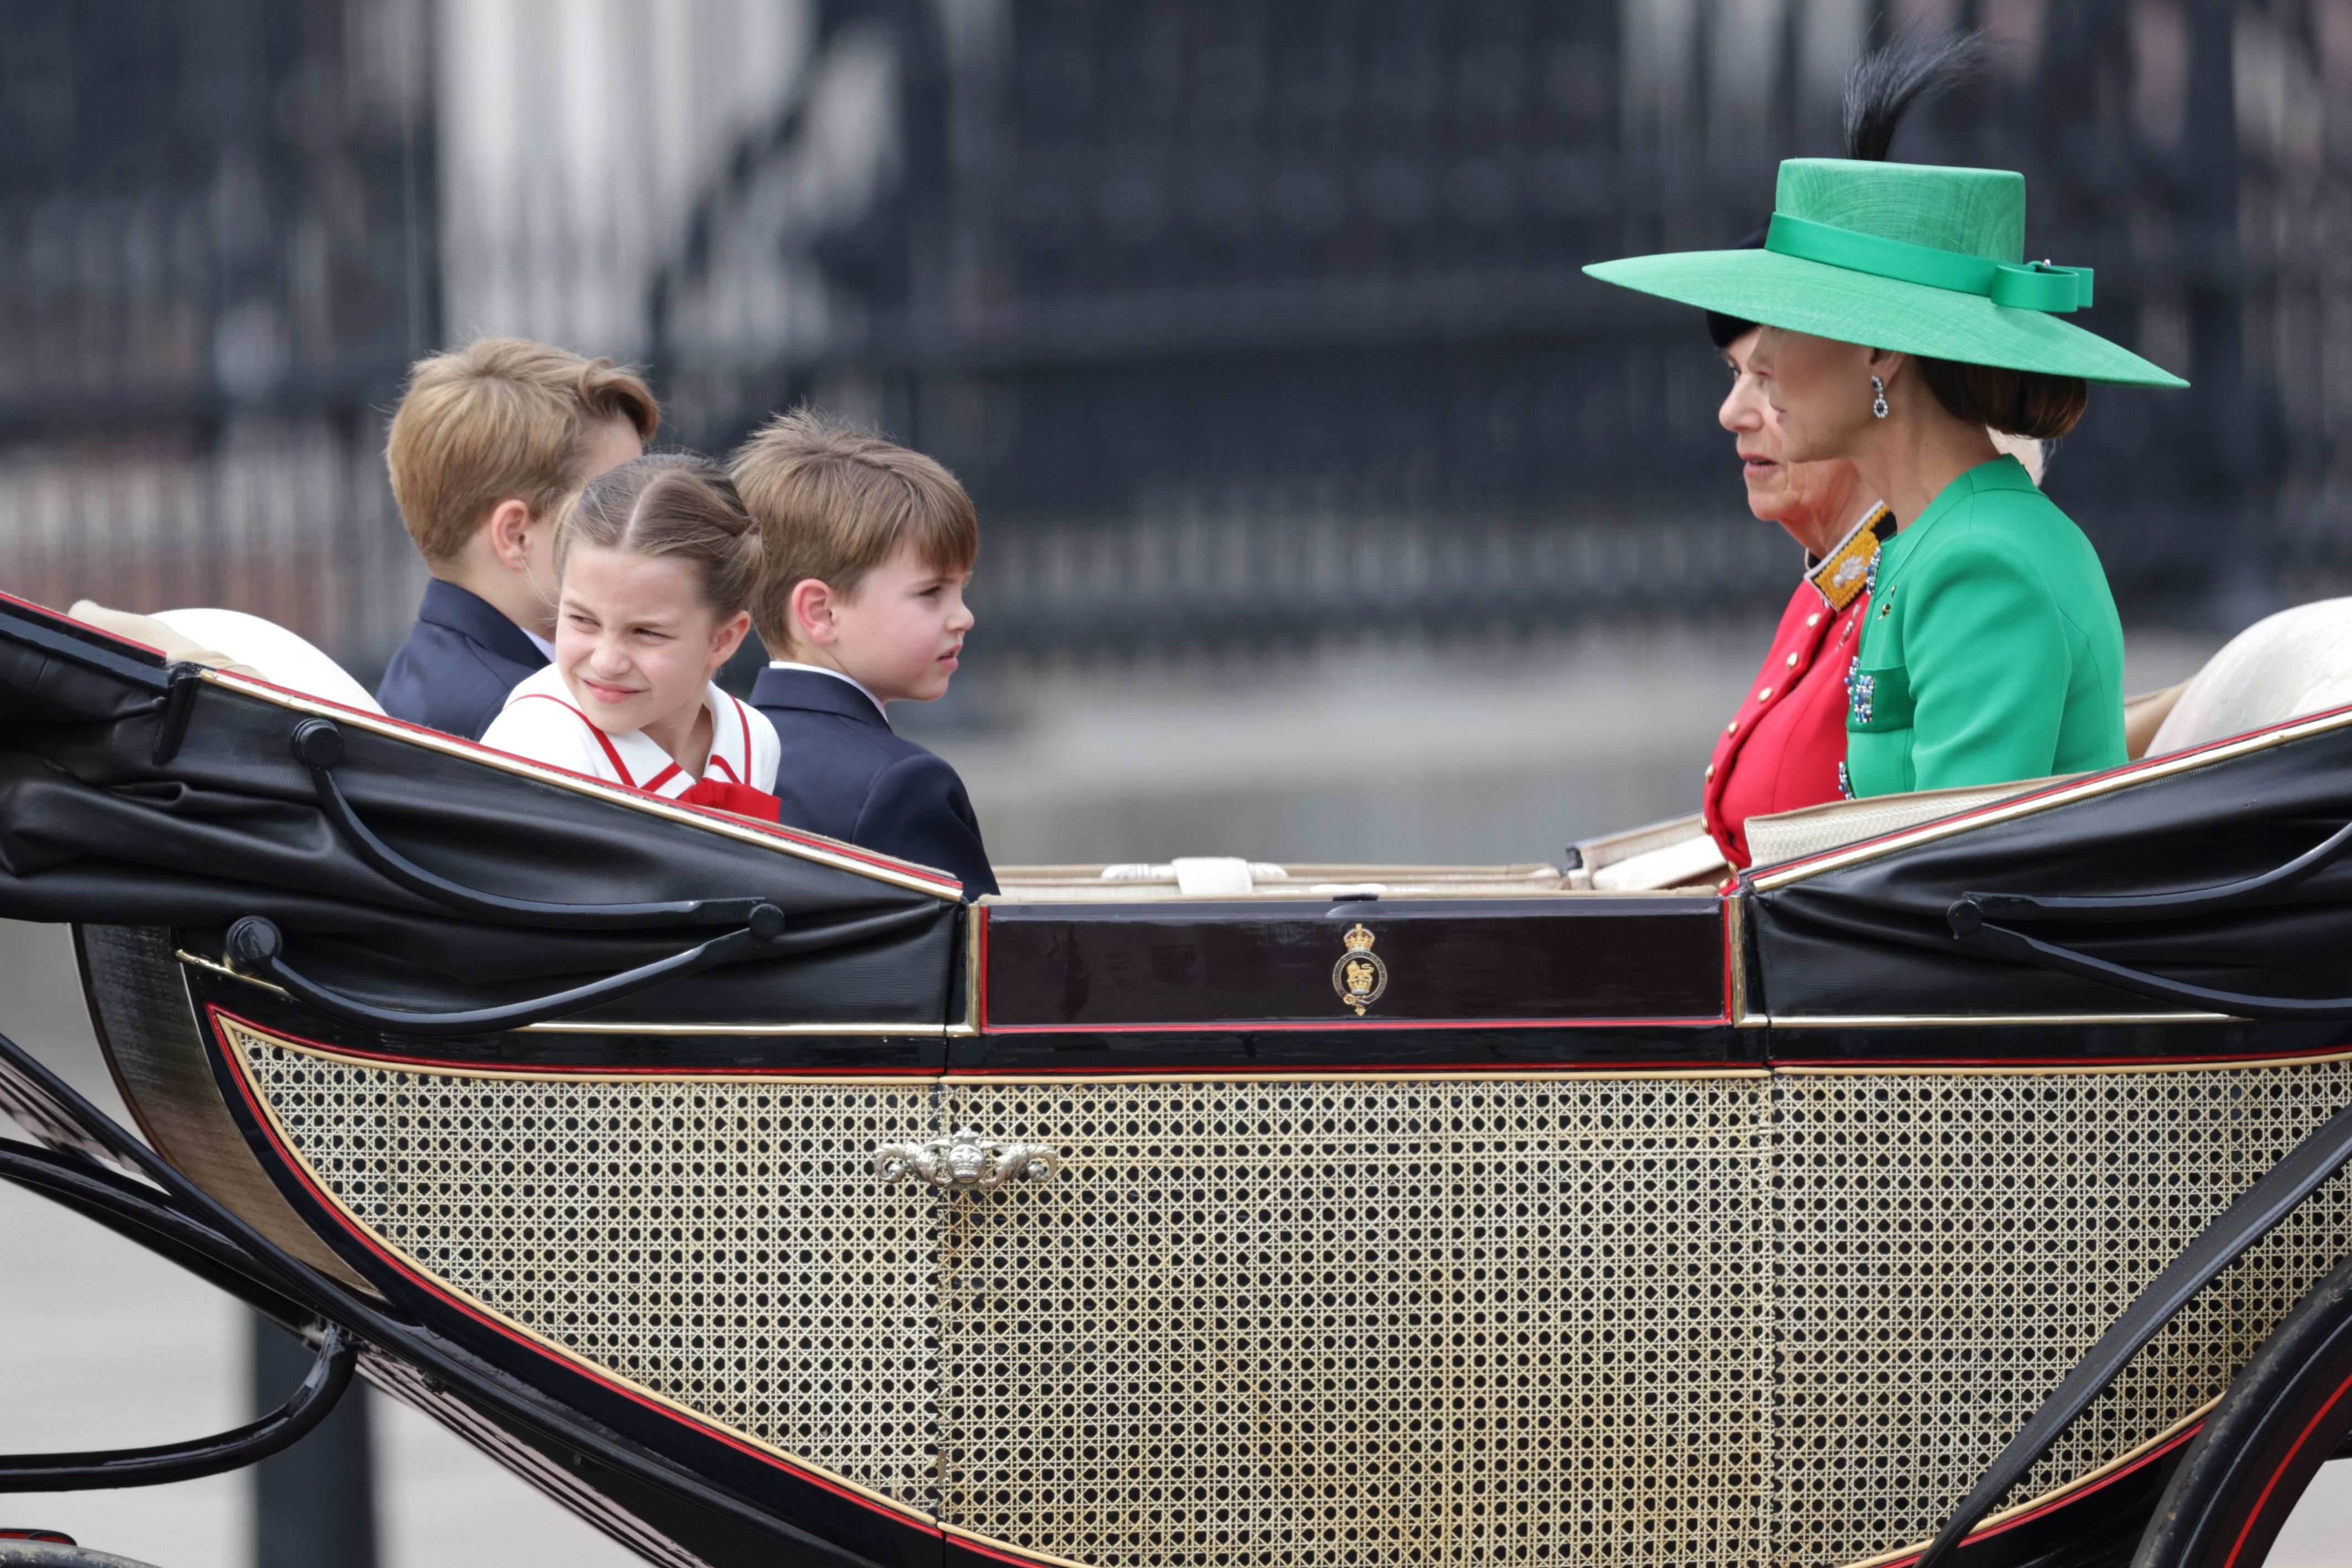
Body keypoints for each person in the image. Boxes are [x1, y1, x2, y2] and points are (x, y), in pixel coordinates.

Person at [1587, 155, 2186, 799]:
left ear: (1879, 351)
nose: (1760, 358)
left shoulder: (1982, 564)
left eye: (1786, 322)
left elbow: (1953, 877)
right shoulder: (1933, 541)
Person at [730, 410, 997, 896]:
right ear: (822, 612)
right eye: (931, 592)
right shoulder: (903, 786)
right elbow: (979, 965)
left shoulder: (722, 755)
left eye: (961, 589)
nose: (964, 617)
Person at [378, 337, 658, 740]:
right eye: (618, 501)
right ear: (516, 536)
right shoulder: (532, 725)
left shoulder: (429, 668)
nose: (648, 522)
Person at [479, 454, 780, 816]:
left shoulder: (752, 740)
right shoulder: (536, 745)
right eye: (583, 620)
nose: (607, 662)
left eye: (646, 632)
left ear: (724, 639)